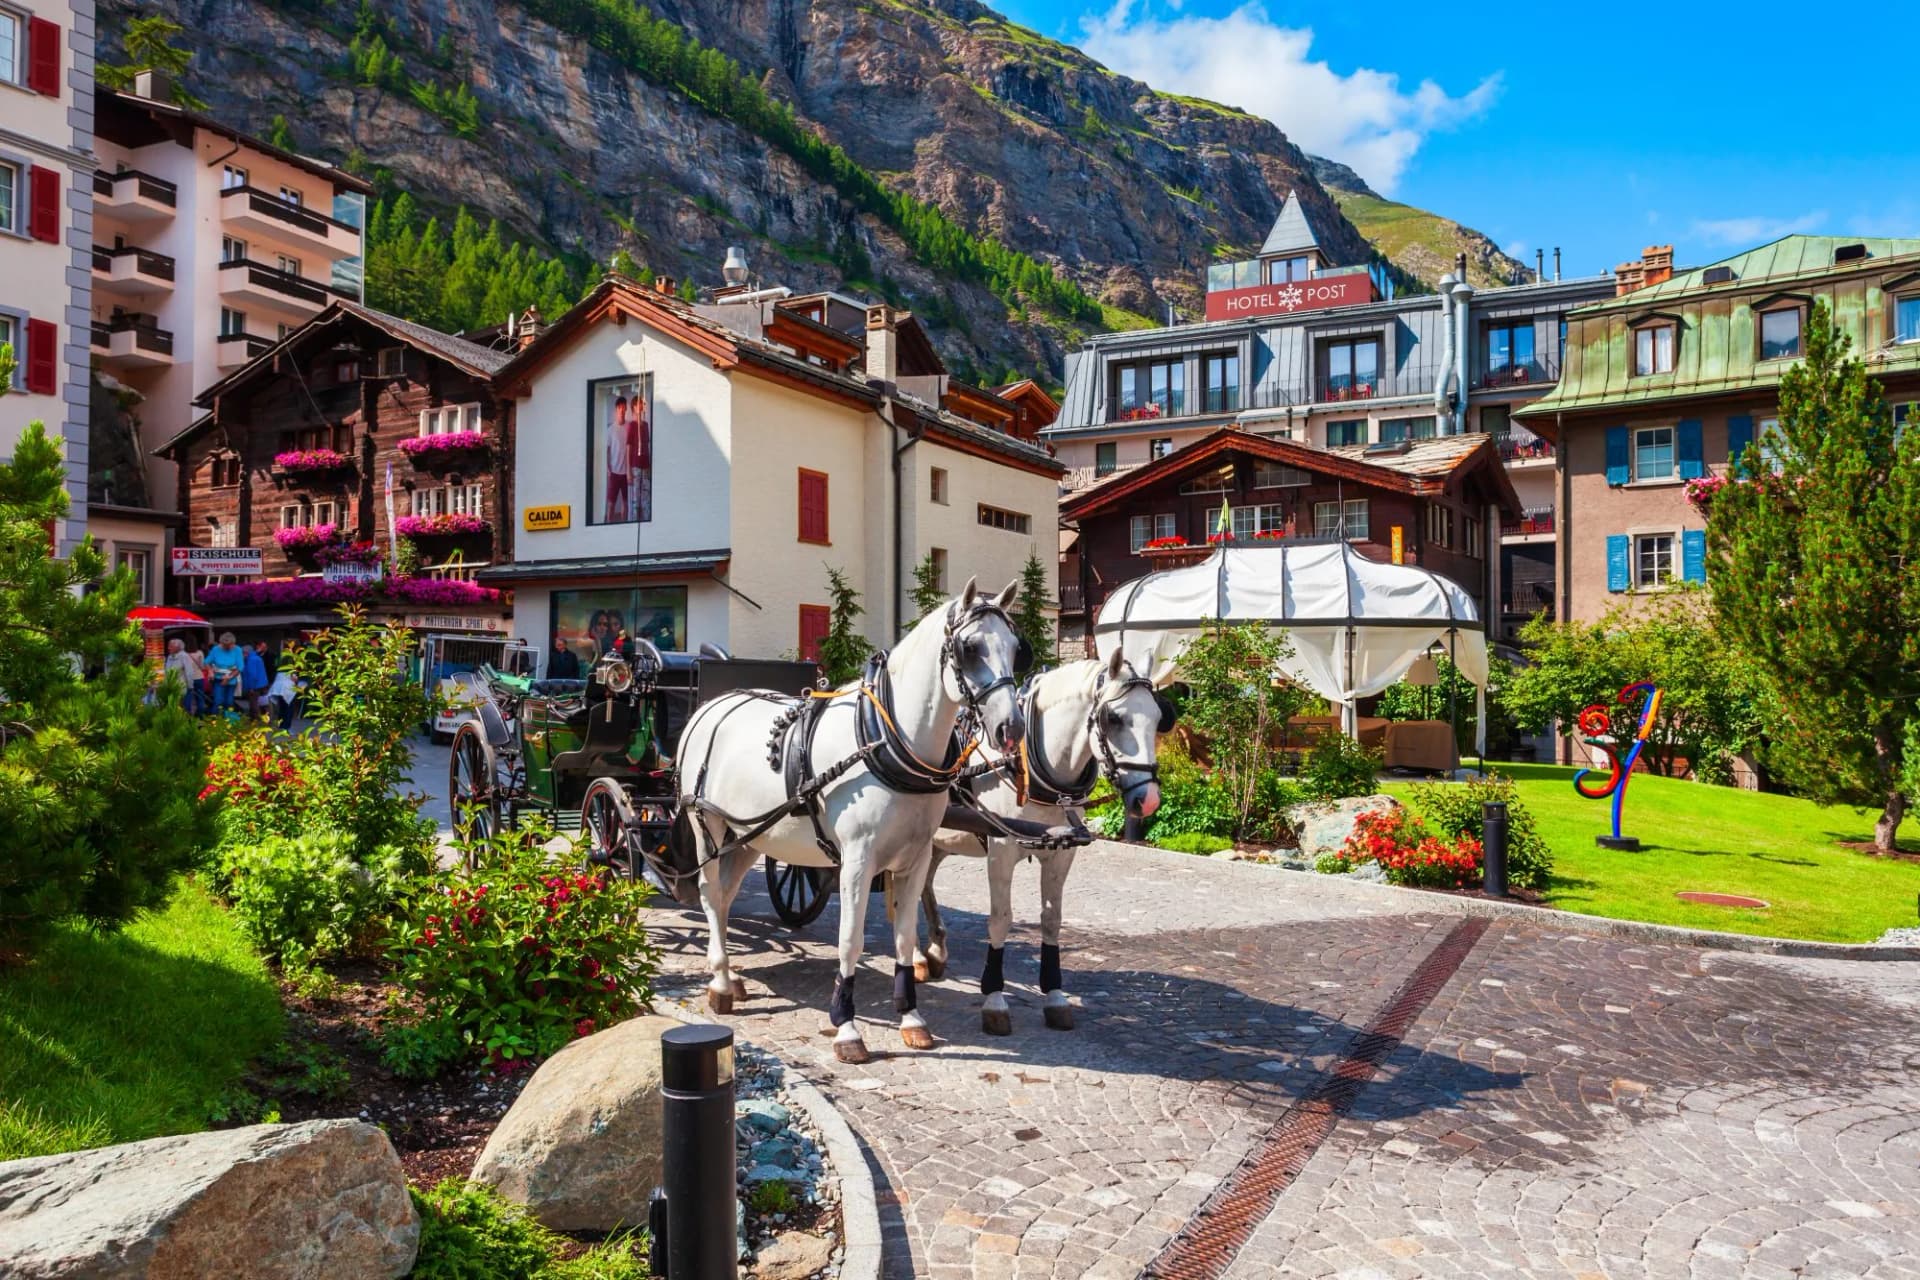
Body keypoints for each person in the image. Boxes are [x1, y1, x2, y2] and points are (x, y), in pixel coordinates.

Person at [605, 394, 632, 522]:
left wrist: (630, 471)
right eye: (620, 408)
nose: (622, 410)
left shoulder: (629, 426)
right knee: (611, 503)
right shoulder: (610, 430)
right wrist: (607, 468)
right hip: (614, 473)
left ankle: (625, 526)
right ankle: (608, 527)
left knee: (626, 503)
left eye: (624, 408)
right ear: (616, 409)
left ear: (626, 409)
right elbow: (606, 450)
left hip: (626, 473)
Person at [206, 632, 245, 715]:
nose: (228, 647)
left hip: (232, 678)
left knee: (229, 702)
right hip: (218, 678)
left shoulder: (237, 649)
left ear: (233, 643)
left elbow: (240, 667)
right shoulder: (216, 649)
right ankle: (214, 720)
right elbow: (207, 662)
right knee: (218, 701)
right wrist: (210, 671)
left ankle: (228, 722)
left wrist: (228, 678)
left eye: (230, 645)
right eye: (225, 645)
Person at [164, 638, 204, 715]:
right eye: (169, 646)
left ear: (178, 647)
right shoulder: (169, 657)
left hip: (183, 687)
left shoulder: (184, 656)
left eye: (171, 646)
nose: (168, 648)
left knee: (185, 707)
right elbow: (167, 672)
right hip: (171, 686)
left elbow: (189, 672)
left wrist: (190, 686)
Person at [266, 664, 301, 733]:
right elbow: (295, 679)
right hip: (287, 690)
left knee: (282, 708)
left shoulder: (279, 669)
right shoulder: (292, 669)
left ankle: (281, 725)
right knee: (288, 709)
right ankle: (286, 727)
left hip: (279, 690)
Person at [242, 641, 270, 718]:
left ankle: (256, 721)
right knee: (263, 703)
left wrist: (251, 687)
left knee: (254, 704)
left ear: (246, 653)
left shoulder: (251, 660)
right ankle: (267, 718)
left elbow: (252, 675)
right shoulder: (257, 657)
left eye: (242, 653)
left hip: (255, 686)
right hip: (263, 684)